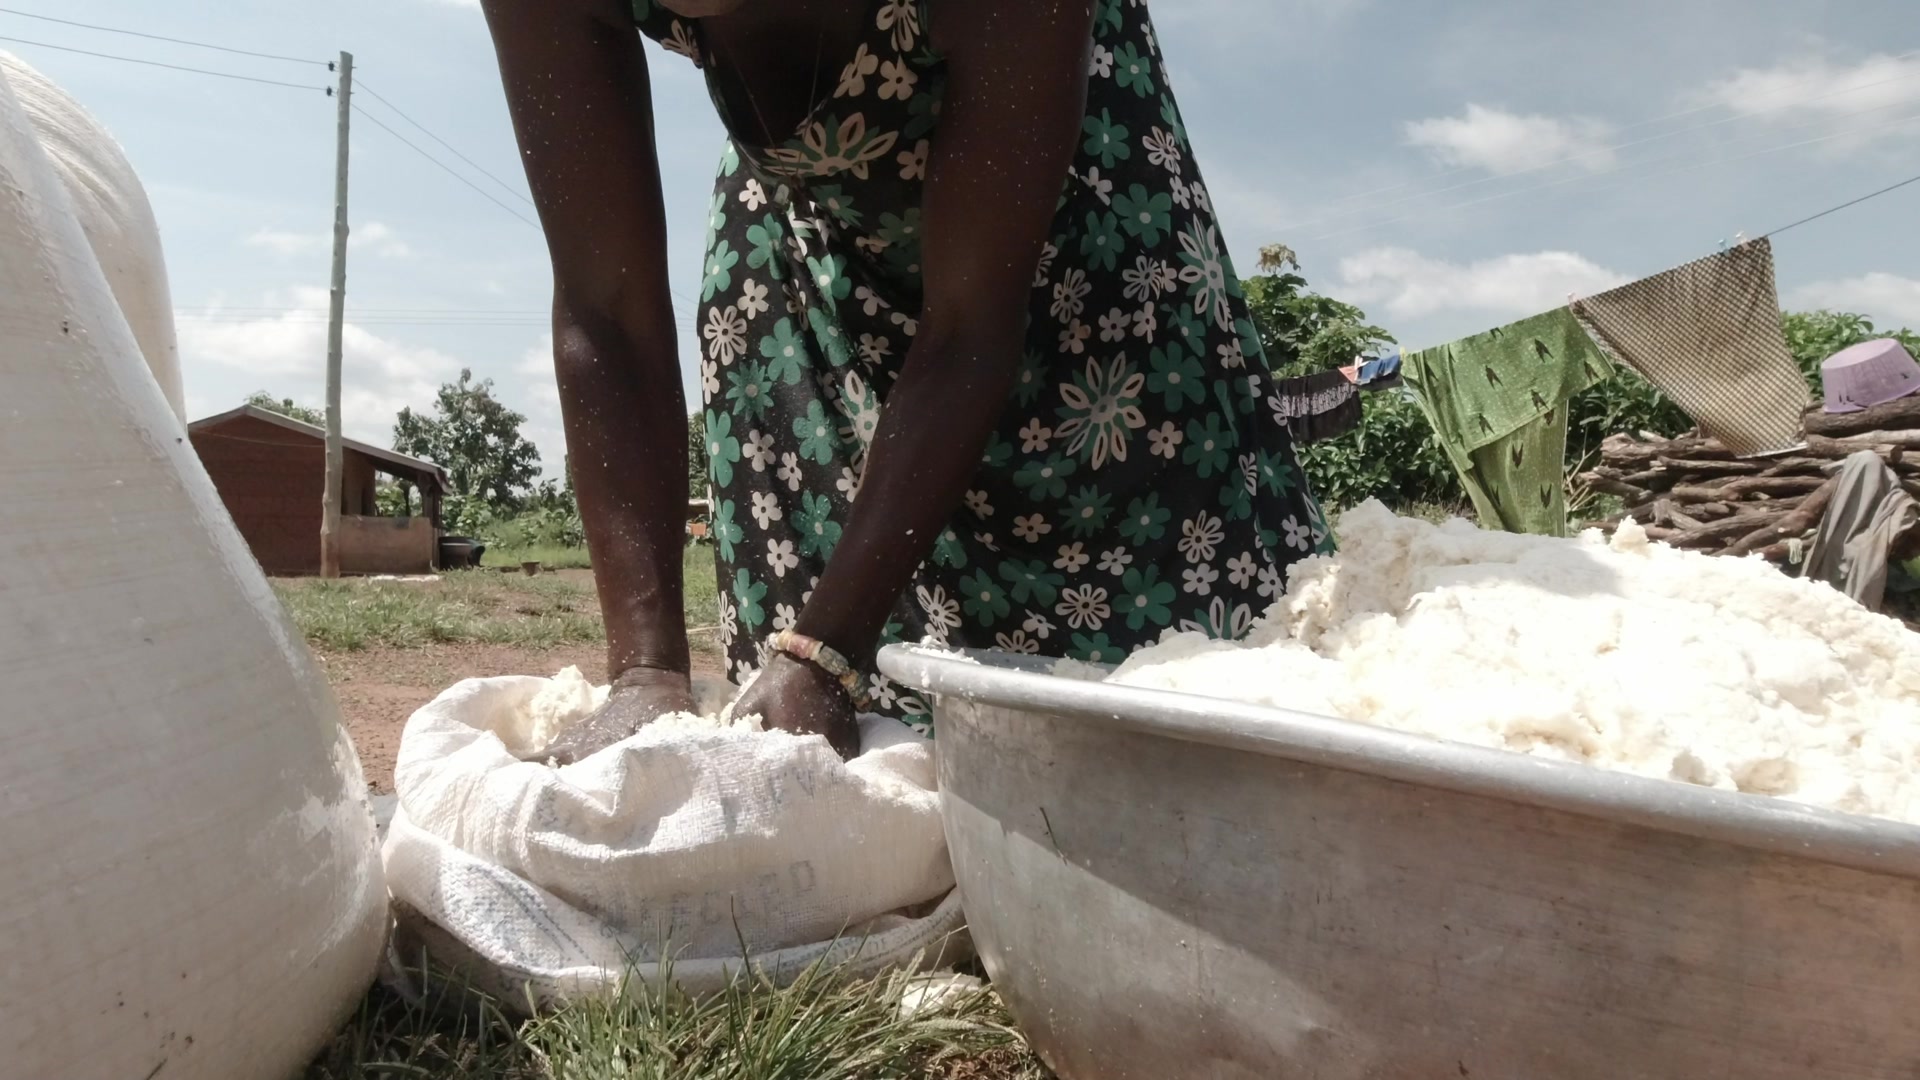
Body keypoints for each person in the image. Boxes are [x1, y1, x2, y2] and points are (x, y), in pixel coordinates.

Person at [480, 0, 1331, 761]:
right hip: (814, 201)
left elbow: (971, 322)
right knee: (800, 736)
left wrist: (826, 649)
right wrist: (646, 674)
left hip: (1075, 198)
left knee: (1155, 710)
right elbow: (606, 308)